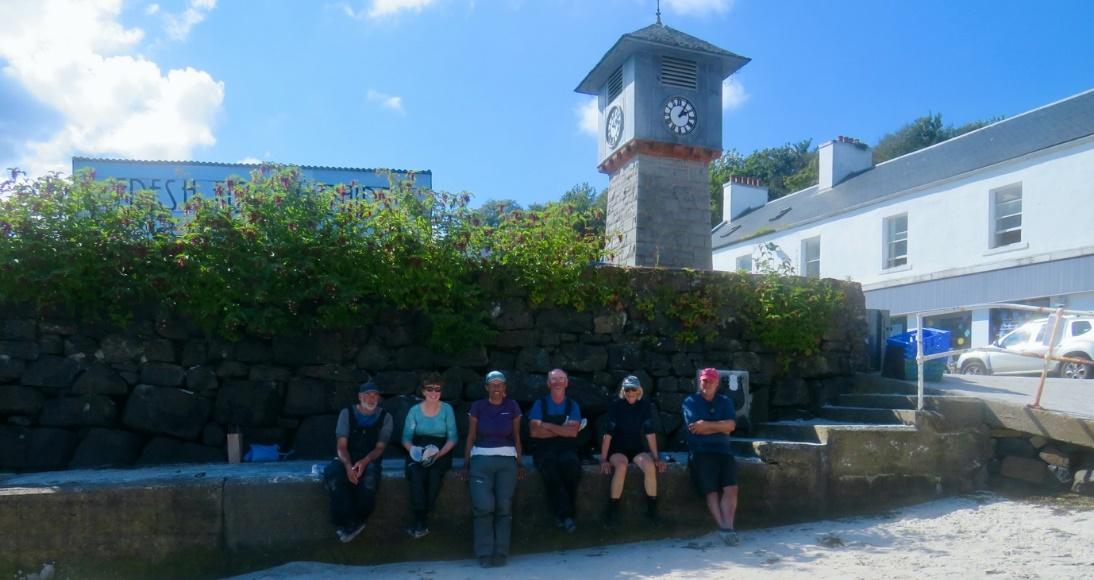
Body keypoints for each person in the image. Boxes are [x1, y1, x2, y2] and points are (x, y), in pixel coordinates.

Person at [462, 370, 524, 568]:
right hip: (481, 459)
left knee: (504, 508)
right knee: (484, 507)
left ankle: (501, 552)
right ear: (487, 387)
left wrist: (519, 462)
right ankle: (484, 552)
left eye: (500, 385)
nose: (496, 388)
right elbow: (471, 436)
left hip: (507, 461)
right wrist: (466, 464)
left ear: (504, 387)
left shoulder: (512, 406)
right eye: (493, 384)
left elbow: (516, 436)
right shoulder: (478, 406)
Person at [323, 380, 392, 543]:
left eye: (375, 395)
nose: (371, 398)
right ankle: (348, 522)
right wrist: (348, 466)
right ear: (360, 397)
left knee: (369, 480)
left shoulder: (386, 417)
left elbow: (380, 448)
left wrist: (365, 461)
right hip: (347, 456)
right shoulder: (346, 413)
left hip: (370, 458)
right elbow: (341, 445)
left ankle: (358, 520)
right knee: (333, 475)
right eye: (367, 395)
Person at [682, 367, 740, 546]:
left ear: (717, 383)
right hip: (701, 451)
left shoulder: (725, 401)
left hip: (723, 451)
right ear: (700, 382)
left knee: (731, 488)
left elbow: (731, 426)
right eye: (704, 381)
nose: (706, 384)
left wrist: (707, 425)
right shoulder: (690, 401)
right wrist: (720, 426)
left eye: (710, 381)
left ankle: (728, 527)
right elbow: (695, 428)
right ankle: (724, 527)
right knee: (712, 491)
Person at [600, 375, 666, 527]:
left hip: (636, 448)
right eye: (627, 389)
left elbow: (650, 432)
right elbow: (608, 433)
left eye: (633, 389)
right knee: (622, 466)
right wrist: (603, 459)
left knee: (650, 466)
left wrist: (656, 457)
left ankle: (652, 511)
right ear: (623, 390)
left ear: (639, 391)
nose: (630, 392)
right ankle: (612, 513)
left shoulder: (644, 405)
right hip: (617, 449)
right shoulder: (616, 404)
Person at [402, 372, 458, 538]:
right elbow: (406, 438)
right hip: (419, 448)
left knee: (434, 476)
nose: (434, 393)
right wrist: (415, 451)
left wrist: (437, 454)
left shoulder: (447, 409)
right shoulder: (414, 411)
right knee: (417, 474)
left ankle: (423, 518)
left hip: (441, 449)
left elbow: (453, 437)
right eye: (430, 389)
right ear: (423, 391)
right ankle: (420, 520)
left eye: (437, 389)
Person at [528, 368, 583, 533]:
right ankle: (567, 516)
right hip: (543, 450)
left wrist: (546, 425)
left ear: (566, 383)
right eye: (554, 379)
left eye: (561, 379)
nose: (557, 382)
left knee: (571, 467)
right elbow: (534, 432)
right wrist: (562, 429)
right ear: (548, 383)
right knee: (550, 467)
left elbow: (573, 432)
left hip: (567, 449)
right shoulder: (540, 403)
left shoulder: (573, 405)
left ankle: (563, 515)